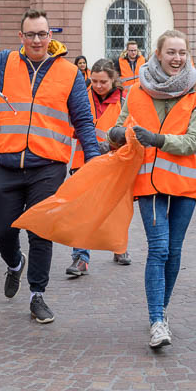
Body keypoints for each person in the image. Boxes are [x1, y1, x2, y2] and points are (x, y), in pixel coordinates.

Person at [0, 9, 101, 323]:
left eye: (42, 34)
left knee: (40, 231)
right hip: (6, 162)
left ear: (50, 36)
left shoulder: (69, 73)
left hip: (48, 165)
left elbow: (83, 120)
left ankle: (37, 295)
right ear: (21, 36)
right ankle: (15, 263)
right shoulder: (4, 62)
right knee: (1, 228)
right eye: (30, 35)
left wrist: (93, 159)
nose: (36, 40)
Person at [107, 30, 196, 349]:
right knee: (160, 248)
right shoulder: (137, 90)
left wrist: (158, 140)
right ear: (158, 54)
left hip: (185, 182)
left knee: (174, 250)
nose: (177, 58)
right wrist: (116, 135)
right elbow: (121, 125)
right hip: (149, 183)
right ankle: (156, 321)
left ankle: (161, 311)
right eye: (171, 52)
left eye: (182, 52)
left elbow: (194, 140)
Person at [65, 58, 131, 277]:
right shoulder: (80, 96)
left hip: (115, 162)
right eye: (94, 81)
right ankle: (80, 258)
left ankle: (119, 246)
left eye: (103, 82)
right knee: (82, 210)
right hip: (84, 162)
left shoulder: (124, 100)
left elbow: (131, 130)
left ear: (113, 80)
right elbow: (68, 124)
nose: (98, 86)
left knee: (117, 208)